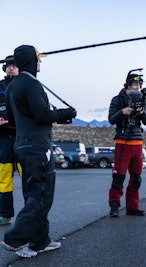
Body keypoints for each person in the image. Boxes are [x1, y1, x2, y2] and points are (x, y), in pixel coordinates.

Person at [1, 45, 77, 258]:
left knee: (33, 193)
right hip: (37, 146)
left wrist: (54, 116)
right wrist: (66, 113)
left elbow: (14, 120)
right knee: (42, 196)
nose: (40, 62)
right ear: (31, 62)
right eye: (38, 59)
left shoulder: (13, 86)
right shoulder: (32, 84)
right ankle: (13, 239)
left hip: (21, 144)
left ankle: (39, 240)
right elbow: (42, 115)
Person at [108, 70, 146, 218]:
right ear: (127, 85)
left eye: (139, 85)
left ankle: (132, 207)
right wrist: (123, 111)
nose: (137, 88)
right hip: (122, 142)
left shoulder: (142, 100)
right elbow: (111, 119)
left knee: (136, 177)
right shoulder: (117, 99)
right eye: (134, 84)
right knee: (118, 176)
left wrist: (141, 112)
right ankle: (114, 205)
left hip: (137, 142)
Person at [0, 56, 19, 226]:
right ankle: (5, 215)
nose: (11, 68)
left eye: (14, 66)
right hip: (4, 140)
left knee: (28, 177)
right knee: (4, 177)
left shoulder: (25, 85)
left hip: (22, 138)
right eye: (8, 66)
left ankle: (31, 214)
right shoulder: (0, 86)